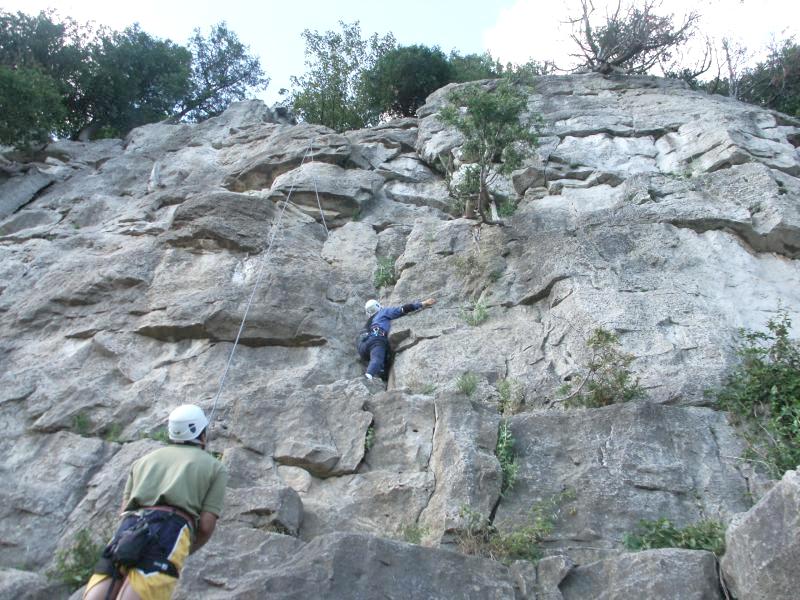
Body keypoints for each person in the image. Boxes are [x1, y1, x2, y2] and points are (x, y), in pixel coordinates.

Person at [83, 404, 227, 600]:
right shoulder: (214, 468)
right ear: (202, 433)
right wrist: (186, 550)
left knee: (101, 589)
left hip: (128, 529)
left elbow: (125, 510)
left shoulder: (143, 461)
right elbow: (205, 526)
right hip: (170, 530)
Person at [358, 297, 435, 381]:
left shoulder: (368, 323)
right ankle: (368, 376)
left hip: (362, 347)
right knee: (377, 358)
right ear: (378, 306)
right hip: (377, 339)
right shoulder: (383, 312)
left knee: (380, 358)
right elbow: (403, 309)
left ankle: (381, 373)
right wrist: (423, 303)